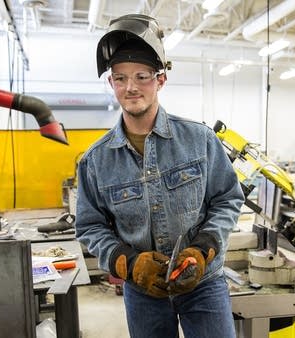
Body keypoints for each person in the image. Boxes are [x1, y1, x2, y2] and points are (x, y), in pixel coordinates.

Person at [75, 14, 245, 338]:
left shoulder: (200, 140)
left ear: (160, 80)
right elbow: (90, 225)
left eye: (142, 76)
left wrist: (204, 248)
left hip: (203, 284)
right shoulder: (95, 161)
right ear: (111, 83)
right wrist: (127, 262)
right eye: (121, 78)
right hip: (143, 293)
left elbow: (227, 199)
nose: (131, 87)